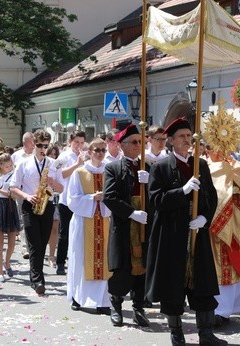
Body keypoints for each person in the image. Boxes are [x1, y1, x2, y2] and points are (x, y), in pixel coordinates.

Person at [146, 117, 226, 345]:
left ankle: (206, 333)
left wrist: (204, 218)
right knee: (173, 286)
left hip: (197, 235)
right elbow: (156, 200)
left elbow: (211, 197)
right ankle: (176, 332)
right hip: (172, 236)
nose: (187, 140)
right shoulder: (160, 167)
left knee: (202, 284)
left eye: (189, 136)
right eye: (181, 136)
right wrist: (181, 191)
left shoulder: (199, 165)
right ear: (170, 141)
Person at [102, 124, 151, 328]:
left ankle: (138, 308)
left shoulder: (147, 168)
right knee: (122, 270)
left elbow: (155, 197)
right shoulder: (113, 168)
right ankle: (116, 305)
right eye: (134, 142)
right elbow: (109, 197)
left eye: (140, 142)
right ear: (122, 145)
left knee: (142, 270)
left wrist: (149, 182)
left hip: (143, 227)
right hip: (123, 226)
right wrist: (132, 213)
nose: (138, 145)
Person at [207, 149, 240, 325]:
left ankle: (224, 310)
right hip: (209, 222)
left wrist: (233, 181)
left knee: (228, 265)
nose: (218, 150)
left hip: (233, 221)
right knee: (212, 268)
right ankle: (210, 307)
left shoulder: (236, 166)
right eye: (214, 146)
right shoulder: (203, 166)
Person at [10, 129, 64, 295]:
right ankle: (38, 279)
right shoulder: (23, 164)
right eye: (40, 145)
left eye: (45, 146)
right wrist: (27, 196)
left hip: (46, 205)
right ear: (33, 144)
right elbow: (13, 188)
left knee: (43, 242)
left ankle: (36, 274)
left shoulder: (53, 164)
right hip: (29, 205)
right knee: (34, 243)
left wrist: (52, 182)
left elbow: (61, 189)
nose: (42, 148)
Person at [66, 138, 111, 315]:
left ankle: (102, 301)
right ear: (90, 152)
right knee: (81, 259)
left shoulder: (109, 171)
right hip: (84, 221)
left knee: (104, 260)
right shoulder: (79, 172)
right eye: (97, 150)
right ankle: (78, 297)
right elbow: (72, 200)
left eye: (103, 150)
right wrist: (92, 198)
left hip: (105, 219)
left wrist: (105, 199)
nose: (100, 153)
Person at [55, 130, 87, 275]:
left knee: (81, 231)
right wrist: (77, 164)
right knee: (65, 232)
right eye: (76, 143)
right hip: (66, 199)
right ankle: (60, 262)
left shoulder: (86, 154)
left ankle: (78, 260)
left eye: (81, 143)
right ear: (70, 142)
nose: (79, 146)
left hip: (82, 198)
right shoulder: (64, 156)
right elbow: (61, 174)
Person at [0, 153, 18, 282]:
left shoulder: (15, 174)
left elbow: (13, 195)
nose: (10, 167)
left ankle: (7, 262)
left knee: (11, 243)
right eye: (7, 166)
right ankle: (0, 272)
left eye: (11, 165)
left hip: (10, 205)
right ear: (0, 165)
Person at [46, 143, 60, 268]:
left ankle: (51, 255)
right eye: (51, 154)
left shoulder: (58, 166)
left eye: (55, 154)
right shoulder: (43, 165)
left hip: (56, 197)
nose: (53, 157)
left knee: (55, 228)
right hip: (44, 198)